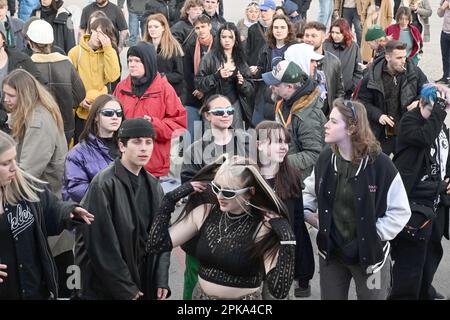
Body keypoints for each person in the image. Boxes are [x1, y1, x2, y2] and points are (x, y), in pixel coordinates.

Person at [302, 98, 411, 299]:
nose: (326, 125)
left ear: (352, 129)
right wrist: (309, 215)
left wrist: (371, 236)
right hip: (332, 255)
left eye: (333, 122)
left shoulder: (382, 166)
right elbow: (308, 194)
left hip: (371, 261)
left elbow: (401, 211)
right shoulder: (326, 159)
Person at [148, 155, 296, 300]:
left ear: (250, 192)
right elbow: (156, 244)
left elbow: (279, 290)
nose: (220, 196)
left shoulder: (262, 227)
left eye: (229, 192)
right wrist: (171, 198)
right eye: (216, 187)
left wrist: (288, 239)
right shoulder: (205, 212)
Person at [75, 118, 170, 300]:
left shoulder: (153, 184)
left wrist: (161, 278)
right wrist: (125, 287)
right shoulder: (103, 184)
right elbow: (100, 244)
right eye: (136, 141)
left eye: (148, 142)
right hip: (107, 286)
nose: (144, 148)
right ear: (122, 145)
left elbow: (162, 235)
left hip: (142, 278)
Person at [2, 69, 73, 298]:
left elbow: (25, 171)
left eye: (11, 95)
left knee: (54, 280)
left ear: (24, 95)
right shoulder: (31, 115)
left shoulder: (38, 123)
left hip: (43, 208)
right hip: (37, 206)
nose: (6, 100)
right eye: (4, 95)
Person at [0, 130, 94, 300]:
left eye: (14, 159)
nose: (14, 167)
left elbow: (50, 208)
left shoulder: (23, 186)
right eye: (6, 163)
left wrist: (68, 212)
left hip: (34, 289)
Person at [180, 94, 250, 299]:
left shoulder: (246, 144)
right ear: (207, 115)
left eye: (229, 111)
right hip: (203, 228)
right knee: (194, 281)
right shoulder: (195, 149)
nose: (226, 115)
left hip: (241, 226)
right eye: (219, 112)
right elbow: (187, 186)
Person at [391, 84, 450, 300]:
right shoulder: (409, 121)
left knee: (432, 254)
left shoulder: (439, 125)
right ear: (424, 104)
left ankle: (425, 291)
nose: (442, 115)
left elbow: (445, 154)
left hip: (437, 202)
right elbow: (425, 137)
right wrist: (439, 111)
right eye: (435, 110)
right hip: (416, 203)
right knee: (410, 262)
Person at [256, 120, 314, 298]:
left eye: (286, 142)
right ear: (259, 145)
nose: (284, 147)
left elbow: (297, 224)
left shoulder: (292, 176)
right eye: (276, 142)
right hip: (251, 262)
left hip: (281, 262)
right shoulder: (246, 175)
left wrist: (303, 270)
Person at [113, 42, 187, 178]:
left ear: (148, 63)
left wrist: (153, 125)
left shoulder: (165, 89)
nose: (131, 65)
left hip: (154, 164)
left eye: (137, 61)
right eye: (129, 60)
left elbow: (179, 125)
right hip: (125, 162)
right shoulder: (121, 88)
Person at [356, 40, 428, 155]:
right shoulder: (372, 75)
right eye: (399, 58)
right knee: (378, 167)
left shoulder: (414, 71)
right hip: (382, 133)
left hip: (407, 131)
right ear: (388, 57)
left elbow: (428, 90)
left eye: (404, 57)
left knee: (405, 170)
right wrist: (378, 115)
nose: (403, 61)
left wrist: (419, 101)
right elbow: (360, 102)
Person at [262, 59, 326, 183]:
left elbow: (314, 154)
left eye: (275, 84)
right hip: (287, 174)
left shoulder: (308, 116)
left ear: (290, 87)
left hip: (302, 182)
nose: (271, 87)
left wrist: (280, 160)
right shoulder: (284, 102)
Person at [27, 19, 86, 145]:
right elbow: (80, 94)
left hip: (37, 127)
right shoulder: (66, 63)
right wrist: (65, 103)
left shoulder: (27, 66)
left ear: (30, 42)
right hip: (65, 126)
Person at [68, 16, 121, 144]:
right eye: (98, 32)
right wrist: (79, 101)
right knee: (80, 145)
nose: (100, 37)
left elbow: (113, 76)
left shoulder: (109, 52)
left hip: (100, 109)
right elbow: (68, 81)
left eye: (104, 35)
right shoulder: (76, 52)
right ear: (91, 31)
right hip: (80, 110)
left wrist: (108, 49)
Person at [63, 94, 123, 203]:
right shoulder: (78, 153)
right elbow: (76, 190)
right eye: (108, 113)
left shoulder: (127, 147)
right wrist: (117, 198)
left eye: (119, 113)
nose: (115, 117)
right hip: (95, 214)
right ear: (96, 116)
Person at [196, 23, 254, 129]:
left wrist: (242, 83)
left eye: (230, 37)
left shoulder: (241, 60)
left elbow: (250, 89)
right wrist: (216, 76)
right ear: (219, 39)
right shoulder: (209, 58)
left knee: (236, 141)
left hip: (235, 106)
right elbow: (199, 83)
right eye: (224, 37)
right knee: (213, 141)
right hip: (214, 106)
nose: (227, 40)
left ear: (236, 39)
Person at [250, 14, 297, 125]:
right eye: (276, 27)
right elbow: (262, 68)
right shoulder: (267, 46)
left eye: (282, 27)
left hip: (286, 93)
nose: (279, 30)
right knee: (260, 125)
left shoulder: (294, 47)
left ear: (288, 29)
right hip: (267, 91)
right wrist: (256, 71)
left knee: (279, 129)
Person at [182, 14, 214, 144]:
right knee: (192, 135)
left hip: (212, 94)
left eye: (203, 26)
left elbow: (217, 71)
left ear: (210, 26)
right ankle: (191, 160)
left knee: (210, 135)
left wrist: (204, 90)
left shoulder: (218, 45)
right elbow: (187, 73)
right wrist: (197, 89)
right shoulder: (189, 46)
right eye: (197, 28)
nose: (200, 30)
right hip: (193, 95)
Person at [303, 21, 345, 116]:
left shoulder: (334, 61)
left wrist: (334, 111)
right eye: (307, 35)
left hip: (325, 116)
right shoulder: (296, 59)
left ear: (323, 38)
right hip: (302, 116)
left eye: (314, 36)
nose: (309, 39)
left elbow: (339, 91)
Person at [143, 13, 184, 98]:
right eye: (150, 27)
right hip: (148, 93)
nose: (152, 29)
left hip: (168, 93)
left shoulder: (174, 48)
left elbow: (179, 75)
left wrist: (162, 76)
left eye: (156, 26)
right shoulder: (142, 47)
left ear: (163, 28)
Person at [323, 18, 363, 99]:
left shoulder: (354, 47)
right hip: (327, 90)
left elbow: (358, 69)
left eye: (338, 33)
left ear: (345, 33)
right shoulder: (326, 44)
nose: (334, 36)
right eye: (332, 32)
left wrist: (352, 86)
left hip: (346, 92)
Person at [245, 0, 276, 66]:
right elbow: (248, 50)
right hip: (255, 67)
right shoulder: (253, 28)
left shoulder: (277, 28)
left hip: (272, 66)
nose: (262, 13)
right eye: (261, 10)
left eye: (265, 10)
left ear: (273, 11)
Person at [436, 0, 450, 85]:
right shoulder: (444, 1)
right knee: (445, 56)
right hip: (444, 32)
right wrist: (442, 7)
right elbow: (439, 14)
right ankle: (446, 77)